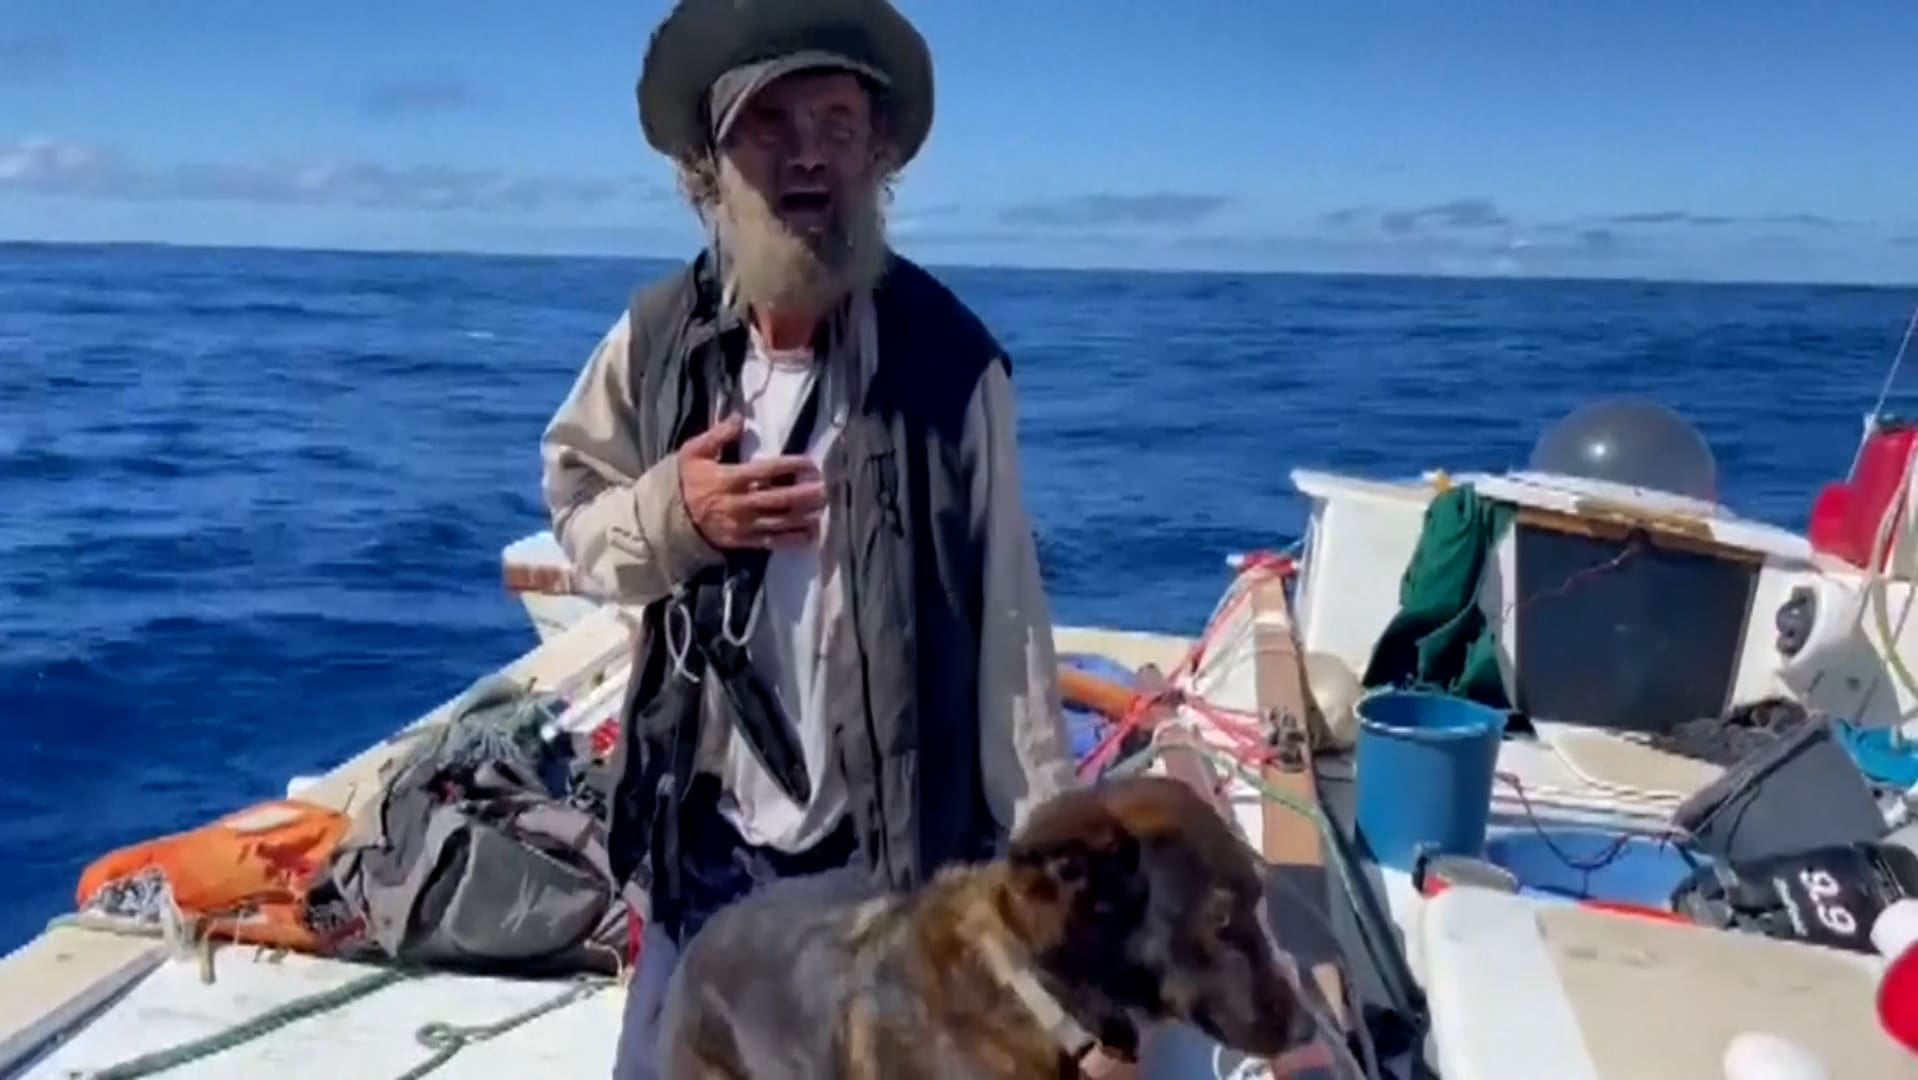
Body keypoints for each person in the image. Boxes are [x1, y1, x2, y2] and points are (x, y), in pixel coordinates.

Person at [536, 0, 1078, 1073]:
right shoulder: (654, 340)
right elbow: (578, 512)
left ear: (876, 155)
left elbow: (1012, 647)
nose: (808, 154)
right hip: (701, 863)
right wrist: (676, 516)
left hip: (879, 874)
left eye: (837, 123)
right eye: (770, 124)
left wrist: (1053, 922)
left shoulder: (953, 368)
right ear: (709, 166)